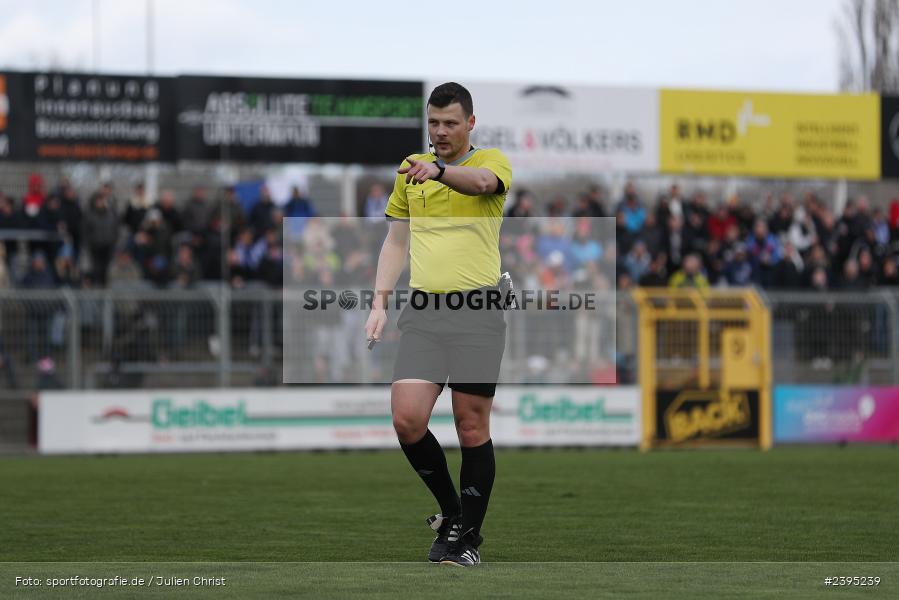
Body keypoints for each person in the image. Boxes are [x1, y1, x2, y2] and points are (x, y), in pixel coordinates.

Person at [364, 82, 511, 567]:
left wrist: (441, 170)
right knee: (407, 419)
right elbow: (395, 242)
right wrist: (380, 301)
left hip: (478, 312)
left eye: (451, 122)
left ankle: (467, 538)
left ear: (471, 123)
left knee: (471, 426)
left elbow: (483, 185)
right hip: (425, 312)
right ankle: (451, 512)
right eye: (434, 122)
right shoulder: (410, 171)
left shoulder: (491, 161)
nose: (441, 131)